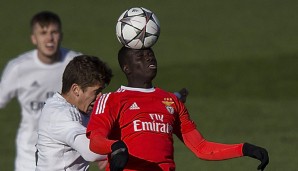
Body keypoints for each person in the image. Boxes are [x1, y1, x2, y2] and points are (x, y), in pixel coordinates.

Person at [86, 47, 269, 171]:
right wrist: (116, 147)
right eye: (140, 56)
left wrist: (243, 149)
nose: (148, 57)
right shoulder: (112, 99)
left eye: (150, 53)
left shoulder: (171, 101)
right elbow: (95, 140)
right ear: (127, 68)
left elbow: (201, 148)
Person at [0, 11, 82, 171]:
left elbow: (94, 104)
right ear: (33, 38)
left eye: (54, 32)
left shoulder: (75, 64)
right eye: (43, 33)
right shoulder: (18, 68)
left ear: (61, 35)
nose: (49, 38)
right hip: (28, 159)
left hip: (67, 159)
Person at [35, 55, 113, 170]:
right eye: (96, 91)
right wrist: (129, 145)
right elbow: (91, 151)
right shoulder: (60, 115)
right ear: (76, 89)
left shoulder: (79, 108)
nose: (100, 97)